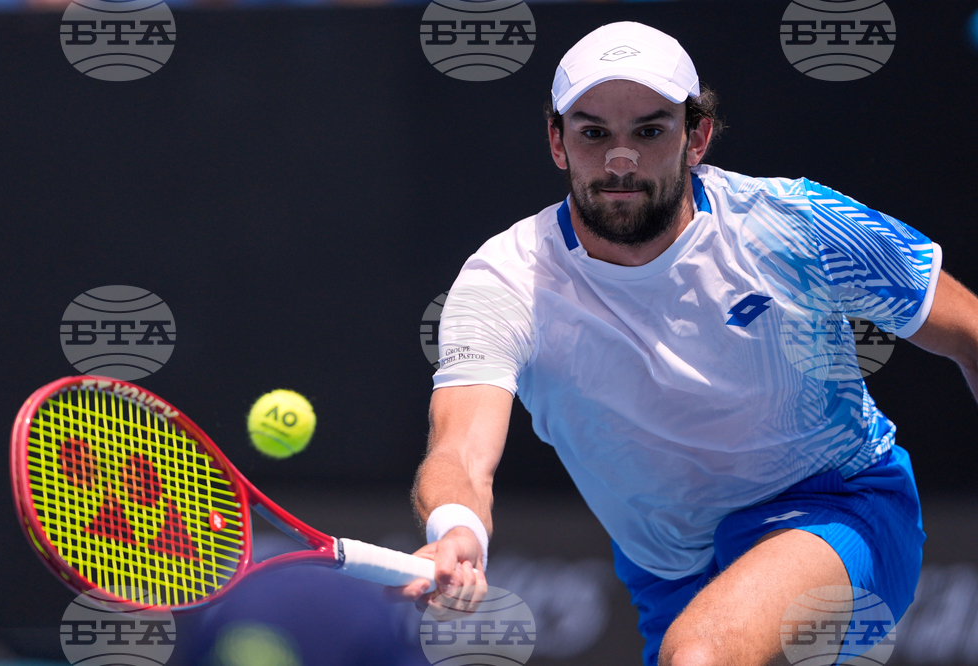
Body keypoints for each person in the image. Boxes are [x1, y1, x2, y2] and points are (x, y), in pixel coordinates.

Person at [390, 21, 978, 666]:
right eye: (593, 133)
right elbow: (461, 452)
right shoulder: (504, 279)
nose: (621, 160)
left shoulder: (794, 224)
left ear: (695, 138)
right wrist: (458, 528)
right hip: (668, 576)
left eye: (649, 130)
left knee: (700, 654)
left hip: (840, 505)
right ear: (557, 143)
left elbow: (969, 332)